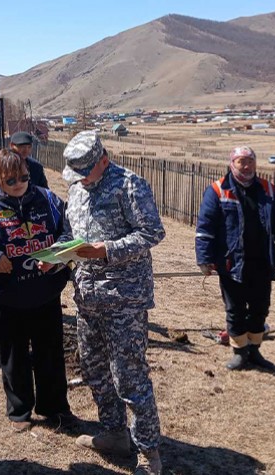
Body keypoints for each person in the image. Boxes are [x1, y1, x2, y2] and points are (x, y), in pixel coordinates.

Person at [63, 130, 165, 475]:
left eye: (84, 172)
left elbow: (152, 232)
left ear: (103, 161)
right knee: (94, 369)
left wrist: (106, 250)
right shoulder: (77, 189)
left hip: (124, 299)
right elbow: (71, 234)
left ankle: (148, 453)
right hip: (87, 297)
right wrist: (58, 255)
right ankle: (114, 433)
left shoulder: (129, 185)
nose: (79, 179)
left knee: (130, 377)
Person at [0, 148, 74, 431]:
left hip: (45, 294)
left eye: (24, 177)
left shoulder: (49, 200)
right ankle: (19, 411)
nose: (19, 184)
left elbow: (69, 231)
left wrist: (57, 253)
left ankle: (55, 407)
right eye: (10, 180)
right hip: (5, 299)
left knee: (50, 355)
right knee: (13, 356)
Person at [195, 146, 275, 371]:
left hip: (262, 262)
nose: (246, 166)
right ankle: (239, 352)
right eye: (241, 161)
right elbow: (205, 228)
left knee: (260, 309)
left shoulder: (268, 189)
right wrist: (204, 258)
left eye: (250, 161)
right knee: (235, 310)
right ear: (232, 163)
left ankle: (254, 350)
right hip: (232, 264)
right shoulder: (217, 190)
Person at [0, 131, 49, 313]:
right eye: (21, 147)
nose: (25, 151)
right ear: (12, 146)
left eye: (28, 147)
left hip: (31, 218)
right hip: (2, 217)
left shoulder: (35, 167)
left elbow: (44, 191)